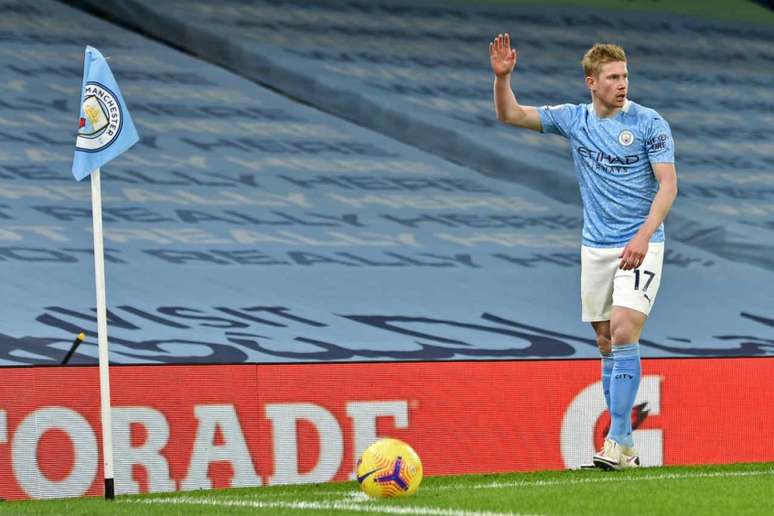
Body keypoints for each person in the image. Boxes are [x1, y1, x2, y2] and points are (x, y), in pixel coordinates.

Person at [489, 35, 678, 470]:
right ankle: (626, 446)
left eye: (625, 75)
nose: (622, 83)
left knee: (625, 329)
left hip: (641, 242)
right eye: (613, 77)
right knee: (605, 340)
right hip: (596, 246)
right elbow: (510, 114)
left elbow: (668, 184)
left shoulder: (650, 124)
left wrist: (644, 236)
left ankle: (614, 438)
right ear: (591, 82)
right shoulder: (574, 119)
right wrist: (503, 79)